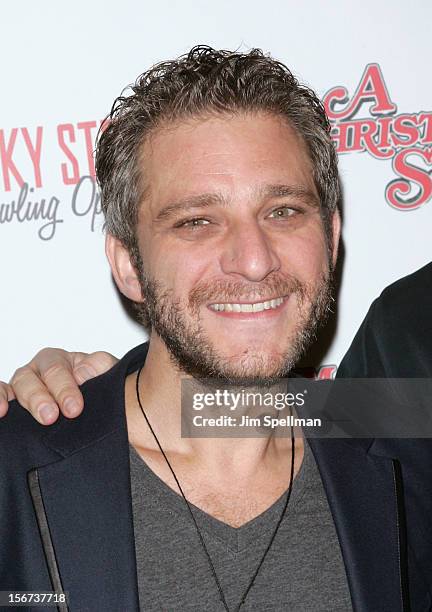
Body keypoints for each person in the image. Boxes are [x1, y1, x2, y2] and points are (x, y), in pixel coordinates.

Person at [0, 46, 430, 611]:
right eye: (197, 222)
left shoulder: (410, 453)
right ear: (129, 264)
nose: (254, 261)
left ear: (330, 237)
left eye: (283, 211)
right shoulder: (13, 469)